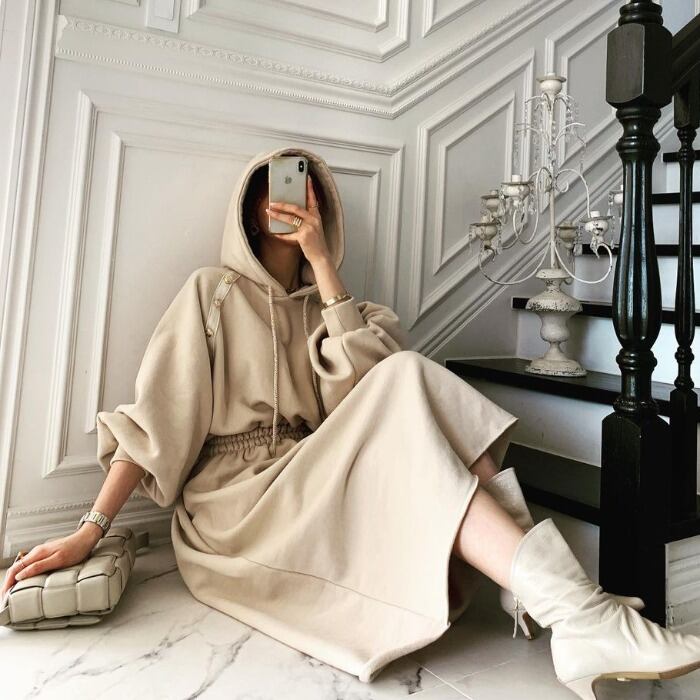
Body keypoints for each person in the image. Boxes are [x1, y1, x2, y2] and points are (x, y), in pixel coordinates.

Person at [3, 146, 700, 699]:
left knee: (406, 374)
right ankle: (573, 608)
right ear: (251, 213)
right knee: (406, 376)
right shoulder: (209, 293)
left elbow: (372, 394)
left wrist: (323, 269)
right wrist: (89, 529)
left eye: (305, 190)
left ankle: (571, 611)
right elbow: (155, 418)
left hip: (314, 476)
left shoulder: (340, 308)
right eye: (276, 191)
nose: (291, 201)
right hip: (236, 506)